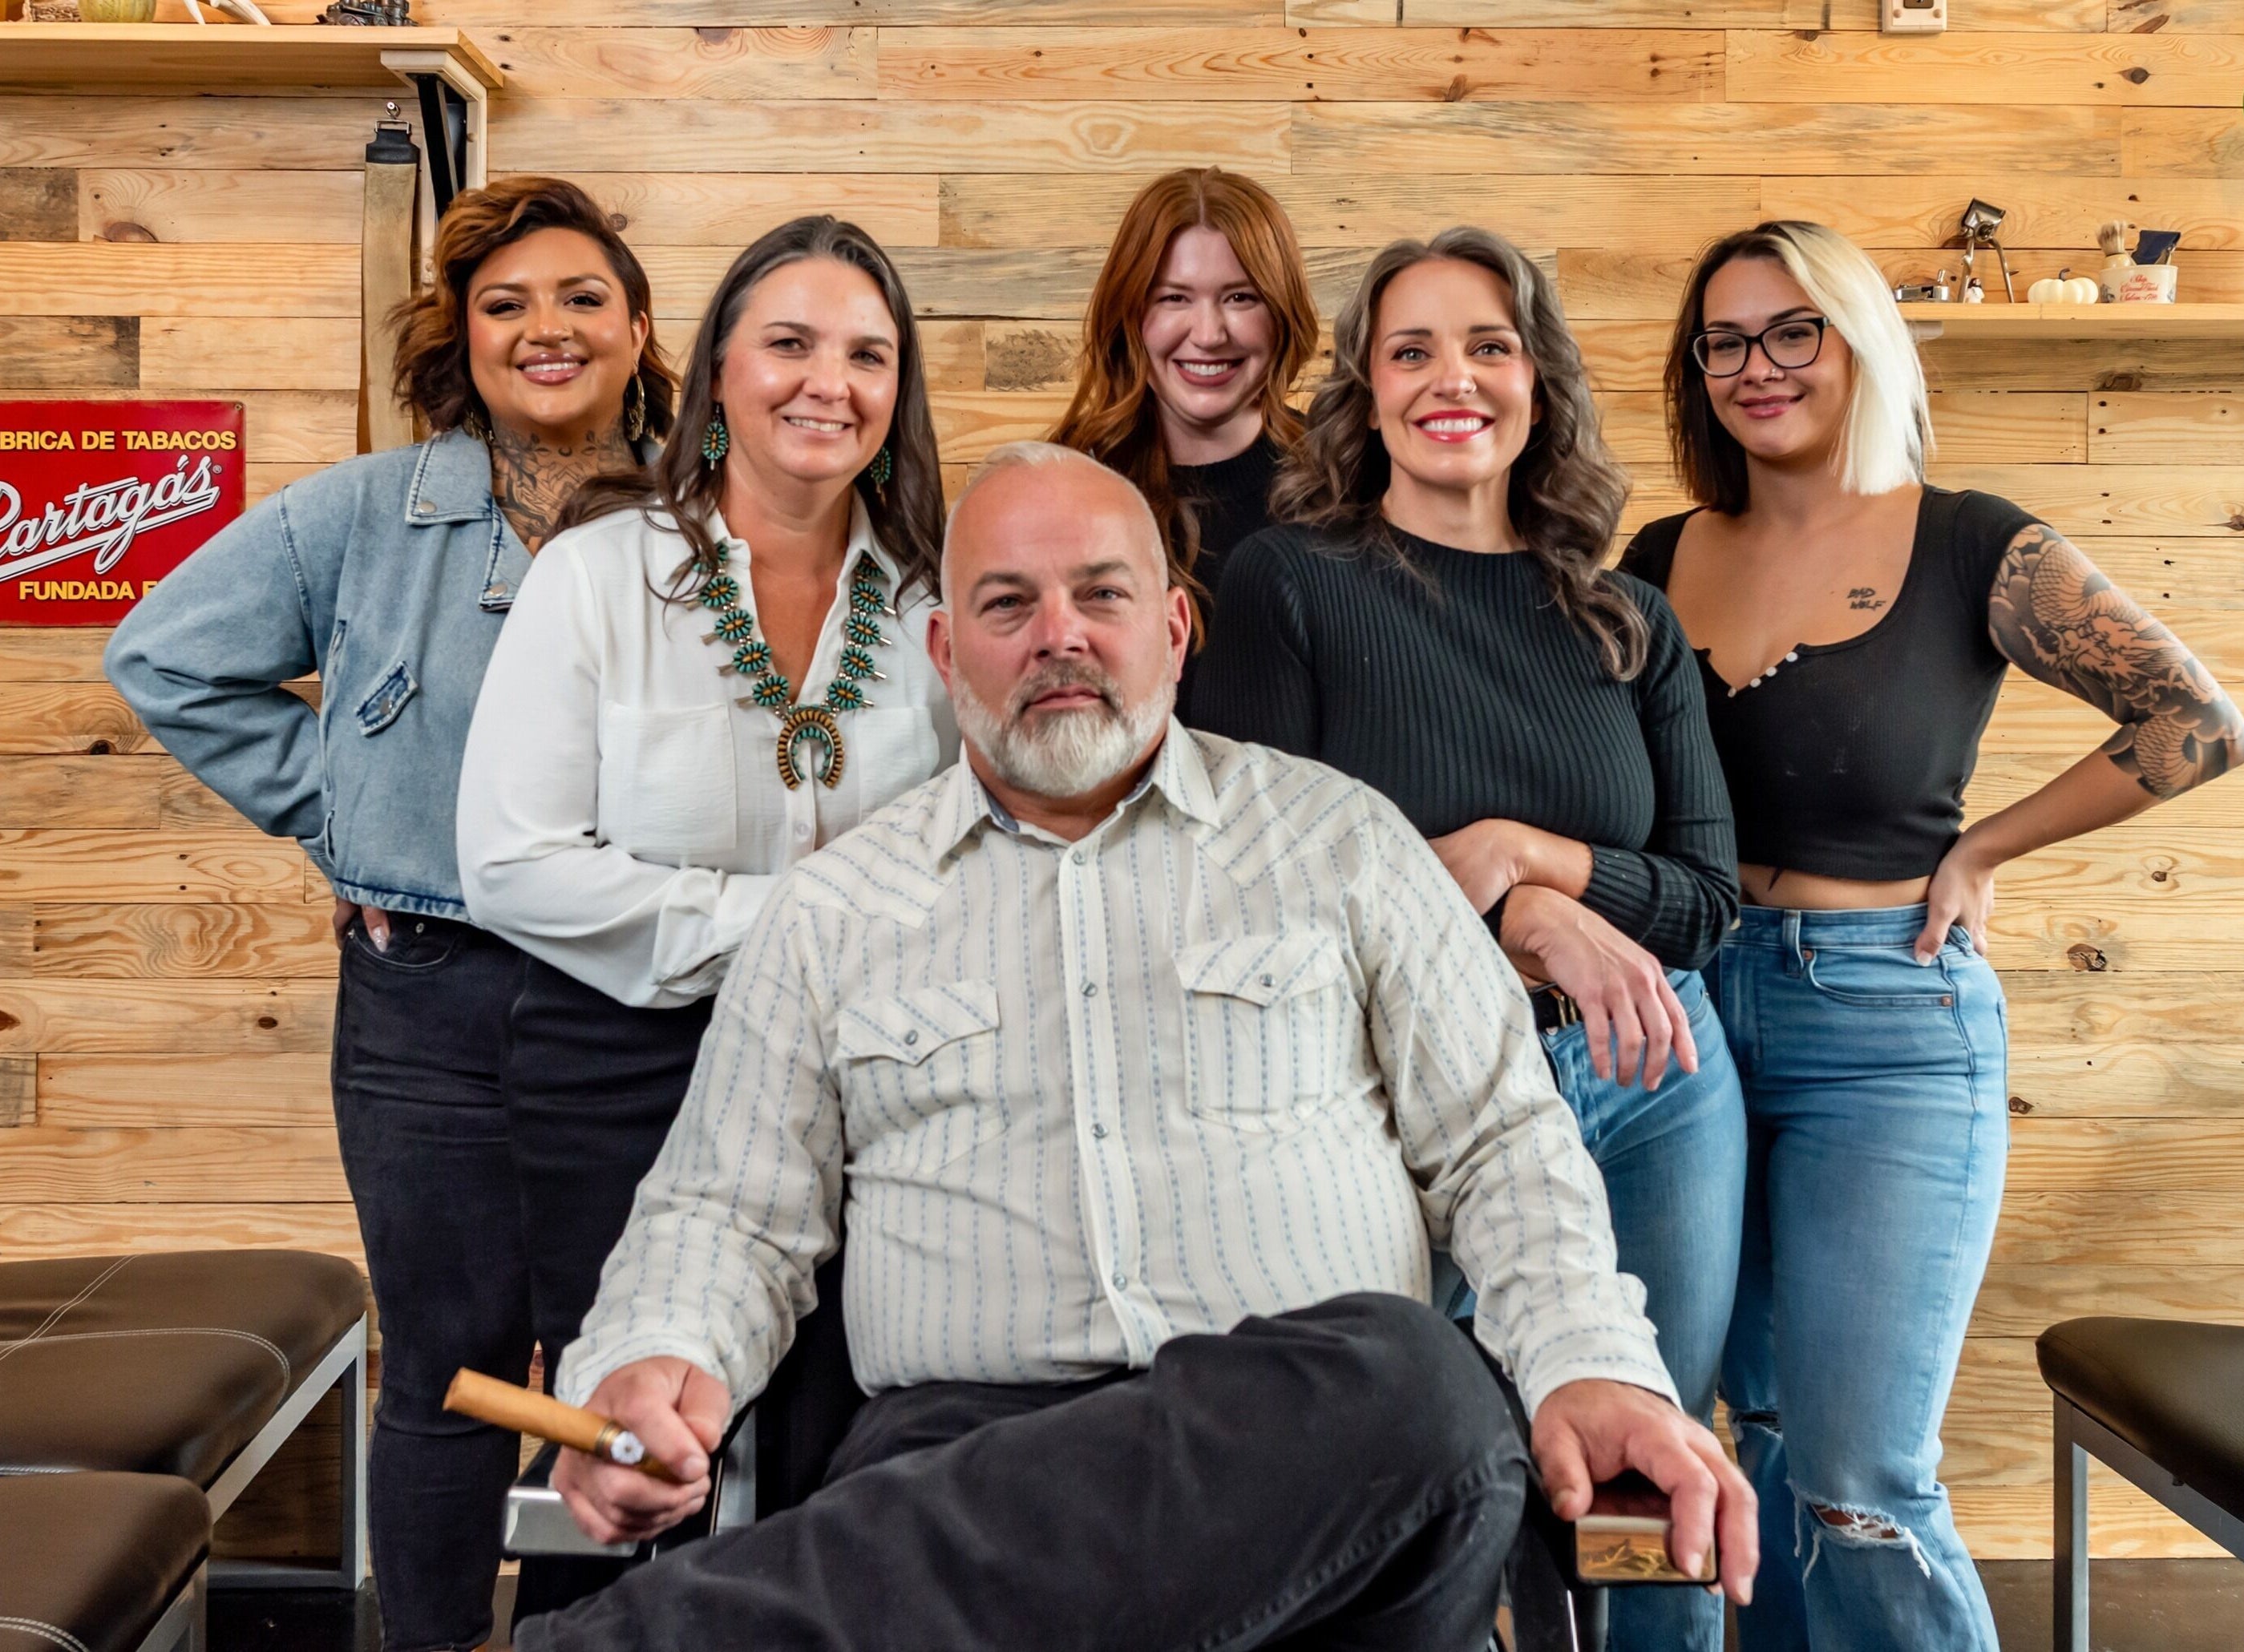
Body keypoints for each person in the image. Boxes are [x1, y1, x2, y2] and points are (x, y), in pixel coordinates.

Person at [516, 443, 1757, 1652]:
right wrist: (655, 1357)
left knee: (1418, 1386)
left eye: (1101, 594)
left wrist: (1595, 1365)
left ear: (1173, 628)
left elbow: (1503, 1146)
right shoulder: (834, 910)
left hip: (1321, 1476)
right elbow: (725, 1212)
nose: (1060, 634)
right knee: (1412, 1398)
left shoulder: (1342, 842)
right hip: (970, 1469)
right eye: (1007, 604)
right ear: (948, 654)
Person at [1620, 220, 2244, 1652]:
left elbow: (2197, 722)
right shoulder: (1659, 556)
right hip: (1686, 1022)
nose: (1755, 366)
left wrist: (1984, 844)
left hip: (1883, 1025)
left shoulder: (1971, 540)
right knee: (1755, 1432)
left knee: (1861, 1478)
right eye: (1722, 340)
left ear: (1857, 340)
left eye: (1793, 330)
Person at [103, 176, 675, 1652]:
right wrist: (340, 810)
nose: (543, 329)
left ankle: (582, 1637)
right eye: (505, 306)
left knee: (630, 1362)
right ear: (461, 340)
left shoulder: (712, 516)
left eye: (578, 299)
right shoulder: (362, 514)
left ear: (640, 327)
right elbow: (165, 656)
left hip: (654, 1002)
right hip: (429, 1003)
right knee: (446, 1358)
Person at [1194, 228, 1742, 1652]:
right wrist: (1514, 917)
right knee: (1423, 1484)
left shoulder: (1627, 619)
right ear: (1363, 394)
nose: (1456, 379)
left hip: (1655, 1083)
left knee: (1642, 1492)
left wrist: (1534, 869)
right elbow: (1259, 898)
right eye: (1413, 350)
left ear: (1537, 381)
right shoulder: (1287, 584)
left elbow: (1703, 893)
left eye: (1489, 345)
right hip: (1402, 1100)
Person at [452, 213, 958, 1612]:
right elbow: (512, 859)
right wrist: (795, 925)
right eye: (788, 344)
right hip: (623, 1067)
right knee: (630, 1453)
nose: (828, 382)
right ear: (720, 373)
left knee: (839, 1443)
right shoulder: (600, 575)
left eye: (867, 354)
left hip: (879, 1085)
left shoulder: (934, 594)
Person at [1046, 166, 1320, 717]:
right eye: (1174, 298)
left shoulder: (1340, 478)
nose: (1209, 333)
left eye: (1241, 297)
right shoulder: (1065, 488)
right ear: (1131, 315)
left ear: (1281, 313)